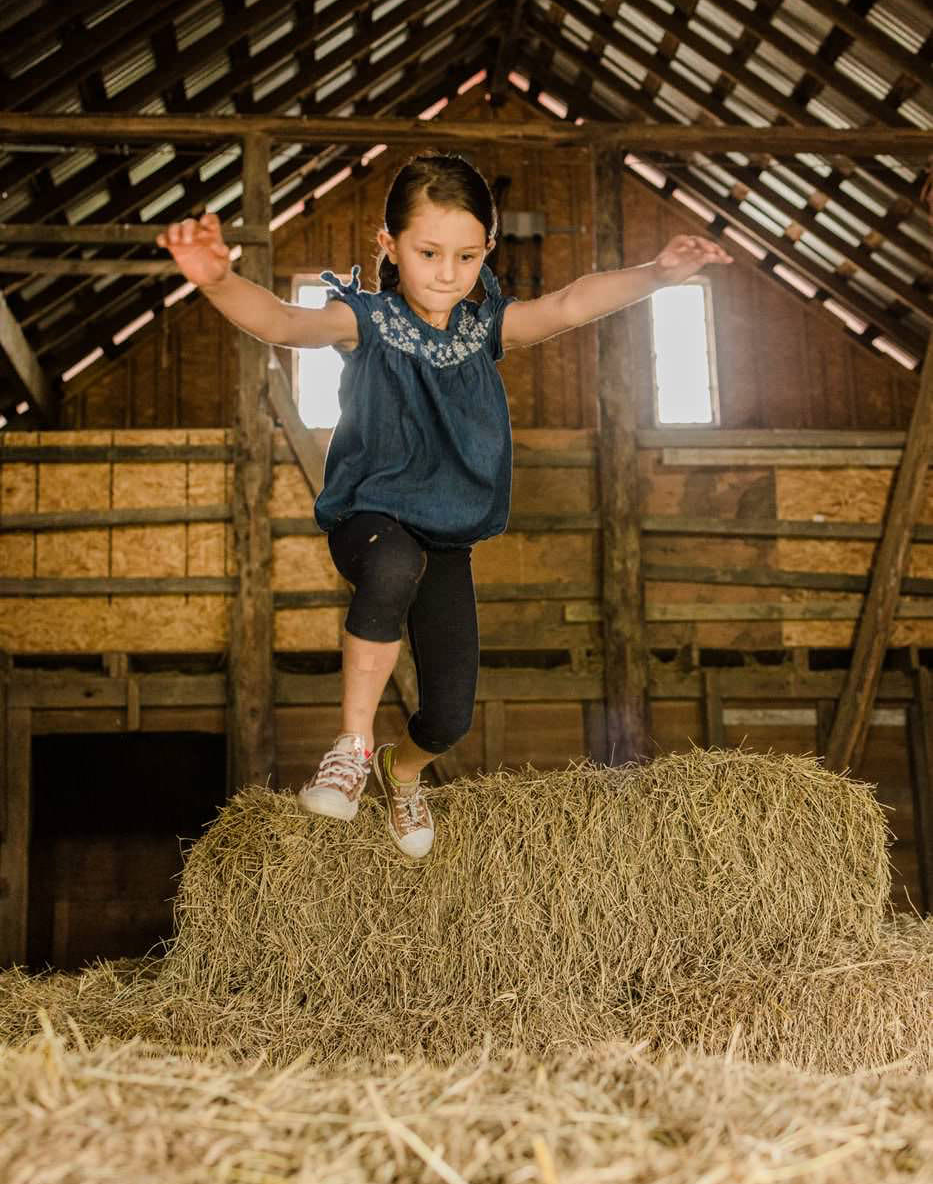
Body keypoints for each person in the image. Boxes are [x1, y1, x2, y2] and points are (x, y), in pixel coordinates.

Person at [158, 151, 731, 860]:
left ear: (485, 251)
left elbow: (571, 302)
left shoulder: (481, 330)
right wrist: (217, 279)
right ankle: (351, 744)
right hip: (368, 517)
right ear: (388, 246)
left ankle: (398, 774)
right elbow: (282, 324)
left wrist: (657, 274)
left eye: (465, 256)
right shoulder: (363, 320)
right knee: (392, 567)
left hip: (446, 536)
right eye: (428, 252)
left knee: (449, 716)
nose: (446, 271)